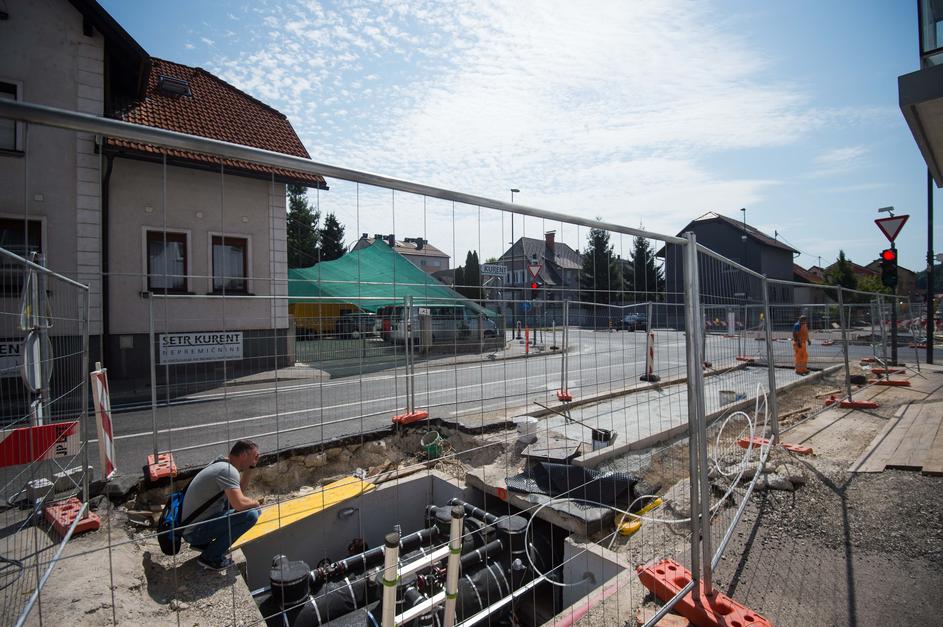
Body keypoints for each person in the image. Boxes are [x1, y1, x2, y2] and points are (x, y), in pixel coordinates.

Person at [182, 439, 262, 571]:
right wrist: (256, 503)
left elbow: (239, 493)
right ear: (243, 455)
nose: (256, 459)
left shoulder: (221, 463)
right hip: (194, 532)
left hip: (192, 526)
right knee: (251, 515)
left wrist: (251, 467)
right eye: (254, 456)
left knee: (244, 507)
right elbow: (240, 505)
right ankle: (209, 557)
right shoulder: (228, 471)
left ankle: (205, 544)